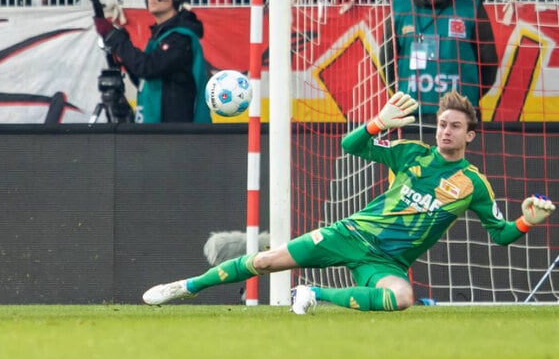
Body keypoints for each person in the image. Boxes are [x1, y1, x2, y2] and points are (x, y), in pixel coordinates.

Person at [143, 91, 556, 312]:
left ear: (471, 136)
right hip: (351, 233)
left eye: (455, 127)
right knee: (267, 261)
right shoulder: (411, 152)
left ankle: (314, 294)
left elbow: (501, 235)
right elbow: (351, 144)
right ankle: (186, 286)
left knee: (402, 298)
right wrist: (378, 122)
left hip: (387, 264)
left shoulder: (473, 184)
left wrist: (526, 222)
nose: (445, 131)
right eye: (442, 124)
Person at [381, 0, 499, 116]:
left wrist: (469, 96)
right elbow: (387, 61)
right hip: (411, 114)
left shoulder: (471, 9)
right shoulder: (399, 9)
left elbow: (489, 64)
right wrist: (405, 94)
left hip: (461, 112)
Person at [93, 0, 211, 123]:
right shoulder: (161, 37)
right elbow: (145, 81)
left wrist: (117, 40)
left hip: (176, 131)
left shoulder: (180, 39)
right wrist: (122, 50)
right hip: (164, 128)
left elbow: (148, 68)